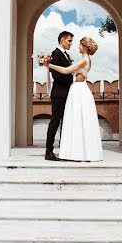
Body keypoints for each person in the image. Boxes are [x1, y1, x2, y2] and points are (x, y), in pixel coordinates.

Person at [43, 36, 103, 162]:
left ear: (85, 47)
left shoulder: (84, 60)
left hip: (79, 90)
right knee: (79, 121)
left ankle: (77, 152)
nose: (78, 47)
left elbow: (66, 71)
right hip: (79, 89)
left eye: (80, 45)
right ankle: (79, 151)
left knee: (77, 120)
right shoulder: (85, 59)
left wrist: (49, 65)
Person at [43, 31, 75, 161]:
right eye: (69, 40)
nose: (71, 43)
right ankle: (48, 151)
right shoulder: (55, 54)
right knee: (55, 122)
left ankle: (64, 149)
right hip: (59, 94)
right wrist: (69, 76)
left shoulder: (65, 55)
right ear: (62, 40)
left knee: (65, 122)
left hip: (66, 93)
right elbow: (56, 75)